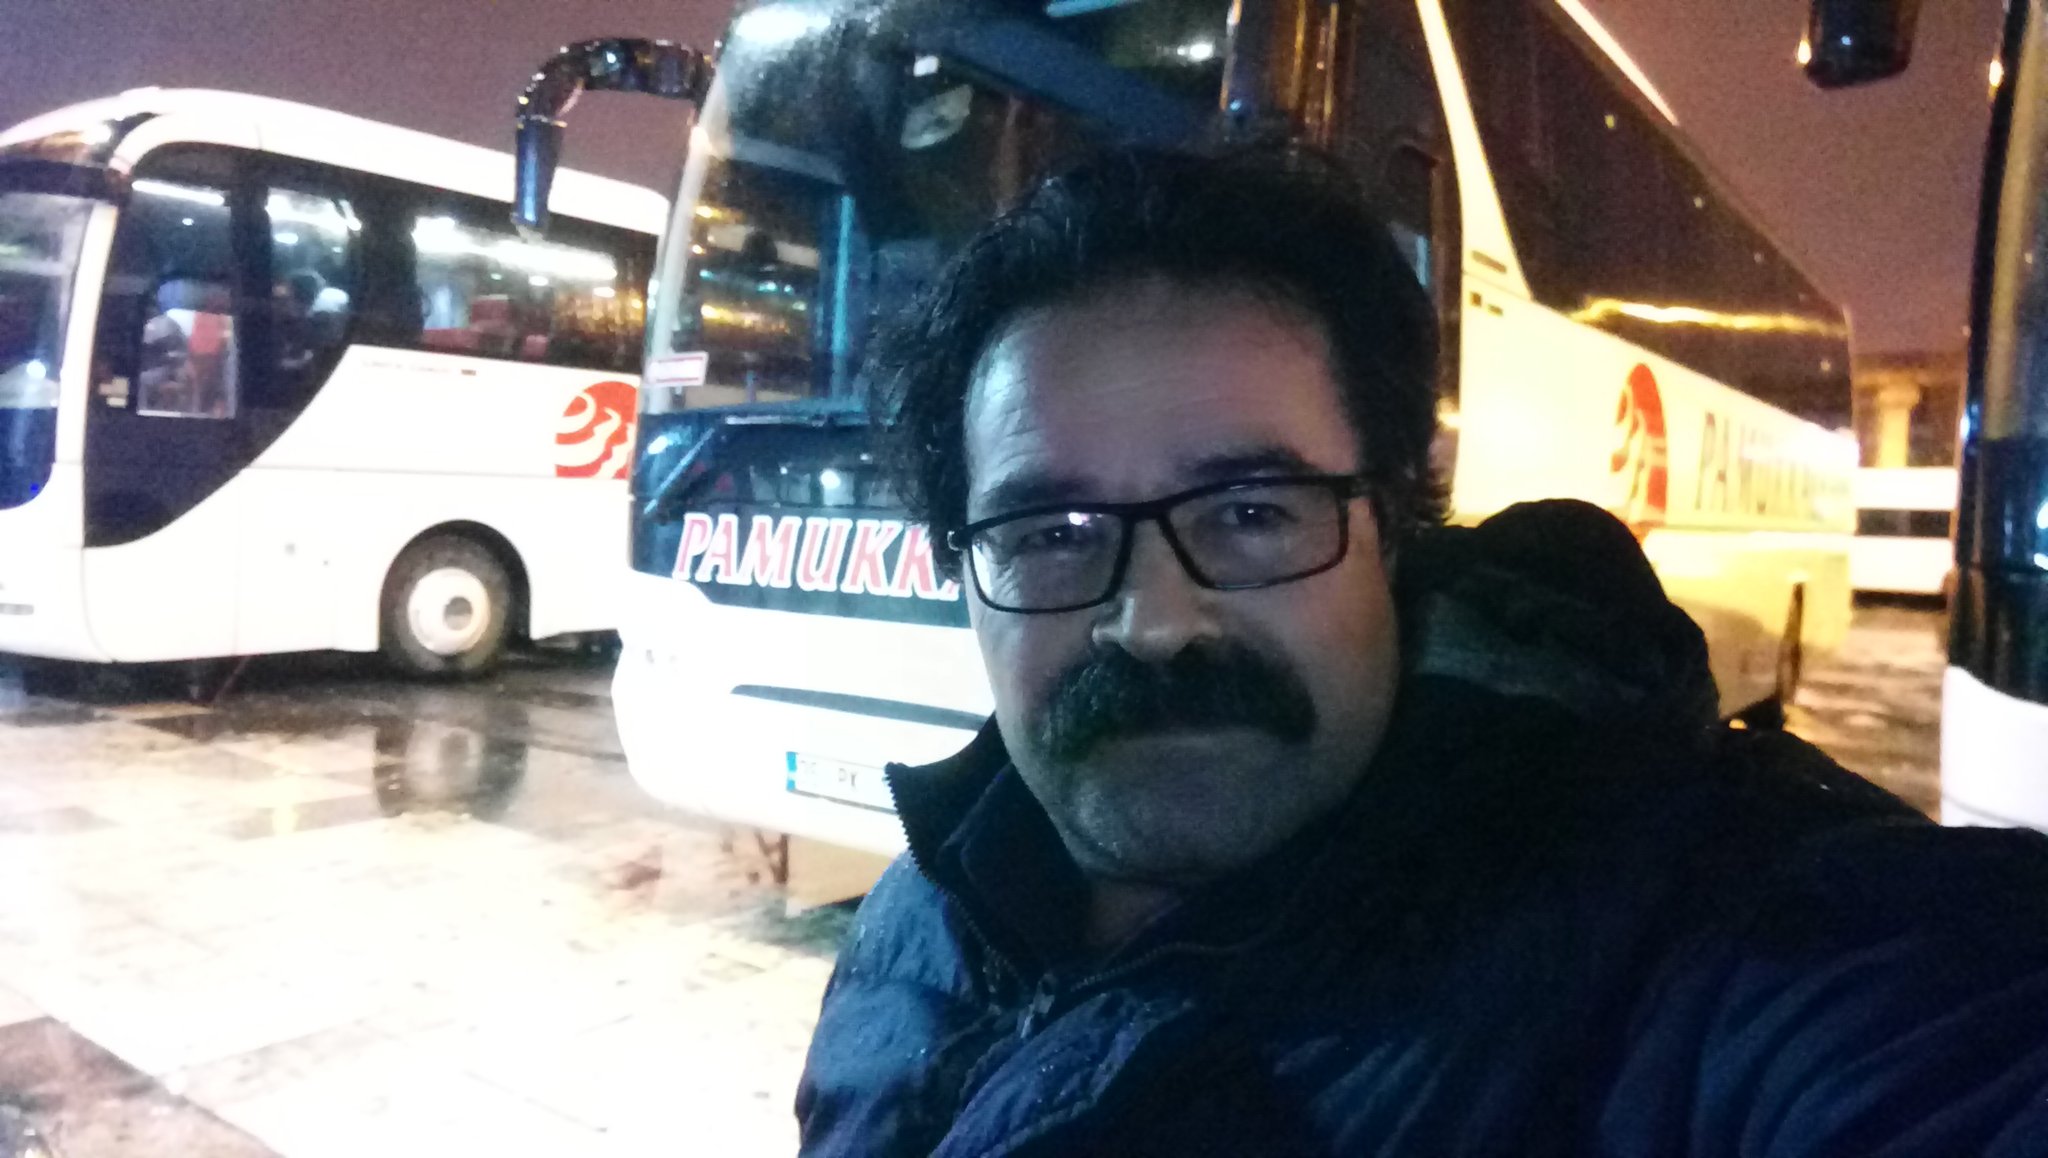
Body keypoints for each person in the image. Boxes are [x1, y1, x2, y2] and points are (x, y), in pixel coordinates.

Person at [793, 148, 2048, 1156]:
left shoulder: (1704, 932)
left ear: (1391, 530)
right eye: (1048, 534)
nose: (1155, 621)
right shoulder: (921, 911)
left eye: (1250, 514)